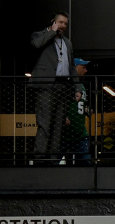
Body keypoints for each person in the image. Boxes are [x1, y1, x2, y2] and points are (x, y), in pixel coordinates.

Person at [30, 11, 74, 159]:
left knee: (58, 125)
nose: (63, 26)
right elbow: (36, 44)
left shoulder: (67, 42)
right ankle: (39, 158)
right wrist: (51, 32)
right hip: (46, 86)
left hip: (63, 87)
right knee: (44, 123)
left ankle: (54, 159)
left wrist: (78, 87)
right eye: (60, 22)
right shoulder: (40, 35)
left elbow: (72, 67)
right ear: (53, 22)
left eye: (65, 24)